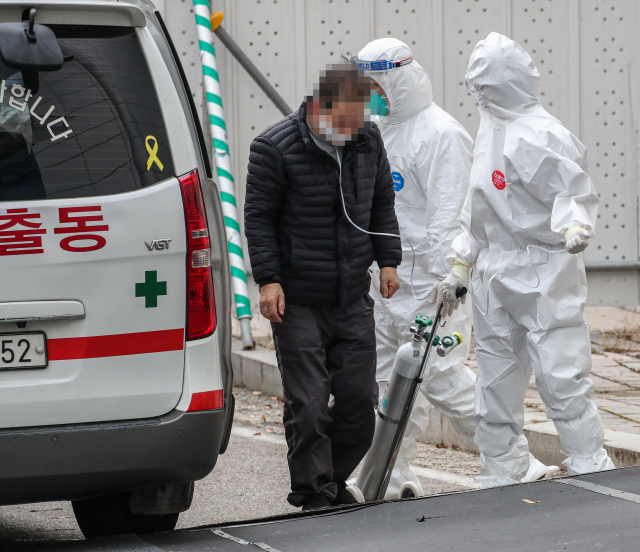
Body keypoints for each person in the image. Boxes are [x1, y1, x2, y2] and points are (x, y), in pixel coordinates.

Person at [438, 32, 614, 488]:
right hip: (495, 271)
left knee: (561, 372)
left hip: (542, 267)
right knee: (495, 378)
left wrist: (574, 223)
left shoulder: (543, 132)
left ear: (507, 84)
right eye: (475, 89)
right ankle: (503, 467)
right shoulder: (490, 129)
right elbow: (476, 204)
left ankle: (589, 460)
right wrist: (463, 260)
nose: (479, 97)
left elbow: (570, 187)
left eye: (485, 88)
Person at [244, 63, 402, 510]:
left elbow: (382, 202)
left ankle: (331, 480)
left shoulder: (367, 140)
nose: (356, 130)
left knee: (358, 405)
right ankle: (313, 490)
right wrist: (269, 280)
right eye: (348, 121)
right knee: (309, 403)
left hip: (352, 295)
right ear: (322, 108)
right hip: (297, 300)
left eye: (360, 121)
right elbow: (258, 218)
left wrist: (388, 260)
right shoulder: (274, 147)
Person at [352, 38, 477, 498]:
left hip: (429, 286)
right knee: (391, 383)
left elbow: (450, 215)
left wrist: (444, 280)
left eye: (375, 83)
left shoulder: (441, 133)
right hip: (387, 283)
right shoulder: (377, 130)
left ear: (396, 80)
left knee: (442, 377)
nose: (369, 92)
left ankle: (513, 455)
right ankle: (389, 474)